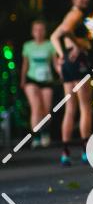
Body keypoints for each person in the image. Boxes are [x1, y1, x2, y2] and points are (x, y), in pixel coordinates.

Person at [51, 0, 93, 166]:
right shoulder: (76, 14)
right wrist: (78, 45)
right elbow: (67, 31)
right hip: (78, 62)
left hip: (69, 63)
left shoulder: (70, 14)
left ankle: (65, 154)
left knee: (70, 109)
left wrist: (62, 55)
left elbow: (54, 37)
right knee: (85, 107)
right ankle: (86, 153)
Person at [21, 19, 58, 148]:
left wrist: (62, 72)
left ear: (45, 31)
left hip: (47, 80)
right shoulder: (27, 46)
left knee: (46, 109)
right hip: (32, 79)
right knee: (36, 107)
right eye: (36, 30)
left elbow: (55, 63)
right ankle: (36, 137)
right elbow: (25, 64)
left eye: (41, 29)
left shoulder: (50, 45)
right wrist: (23, 80)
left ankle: (45, 133)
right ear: (32, 32)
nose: (39, 32)